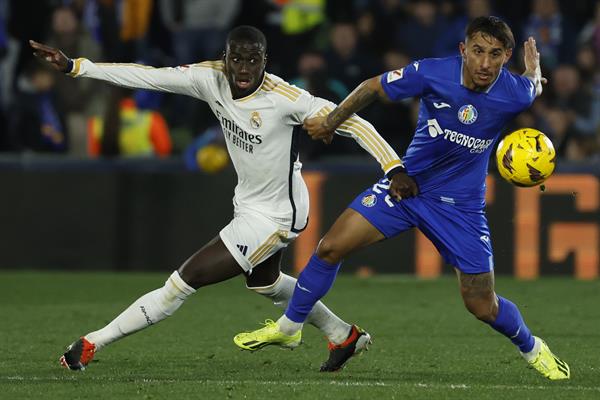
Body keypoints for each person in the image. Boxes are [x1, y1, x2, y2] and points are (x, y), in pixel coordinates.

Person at [30, 25, 404, 372]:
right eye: (236, 59)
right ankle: (343, 335)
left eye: (253, 60)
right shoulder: (209, 78)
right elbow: (148, 75)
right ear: (225, 58)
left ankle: (91, 343)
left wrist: (394, 168)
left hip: (276, 215)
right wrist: (76, 66)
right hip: (248, 203)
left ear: (265, 60)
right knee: (266, 283)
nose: (244, 68)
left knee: (182, 282)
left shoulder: (285, 98)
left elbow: (356, 123)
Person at [234, 17, 571, 380]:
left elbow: (532, 86)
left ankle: (532, 347)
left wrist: (533, 73)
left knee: (481, 304)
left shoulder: (514, 92)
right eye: (477, 51)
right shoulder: (432, 73)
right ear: (463, 50)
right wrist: (331, 121)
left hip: (461, 208)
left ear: (506, 57)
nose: (485, 63)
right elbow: (372, 87)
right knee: (330, 248)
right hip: (407, 188)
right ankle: (290, 327)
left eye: (494, 54)